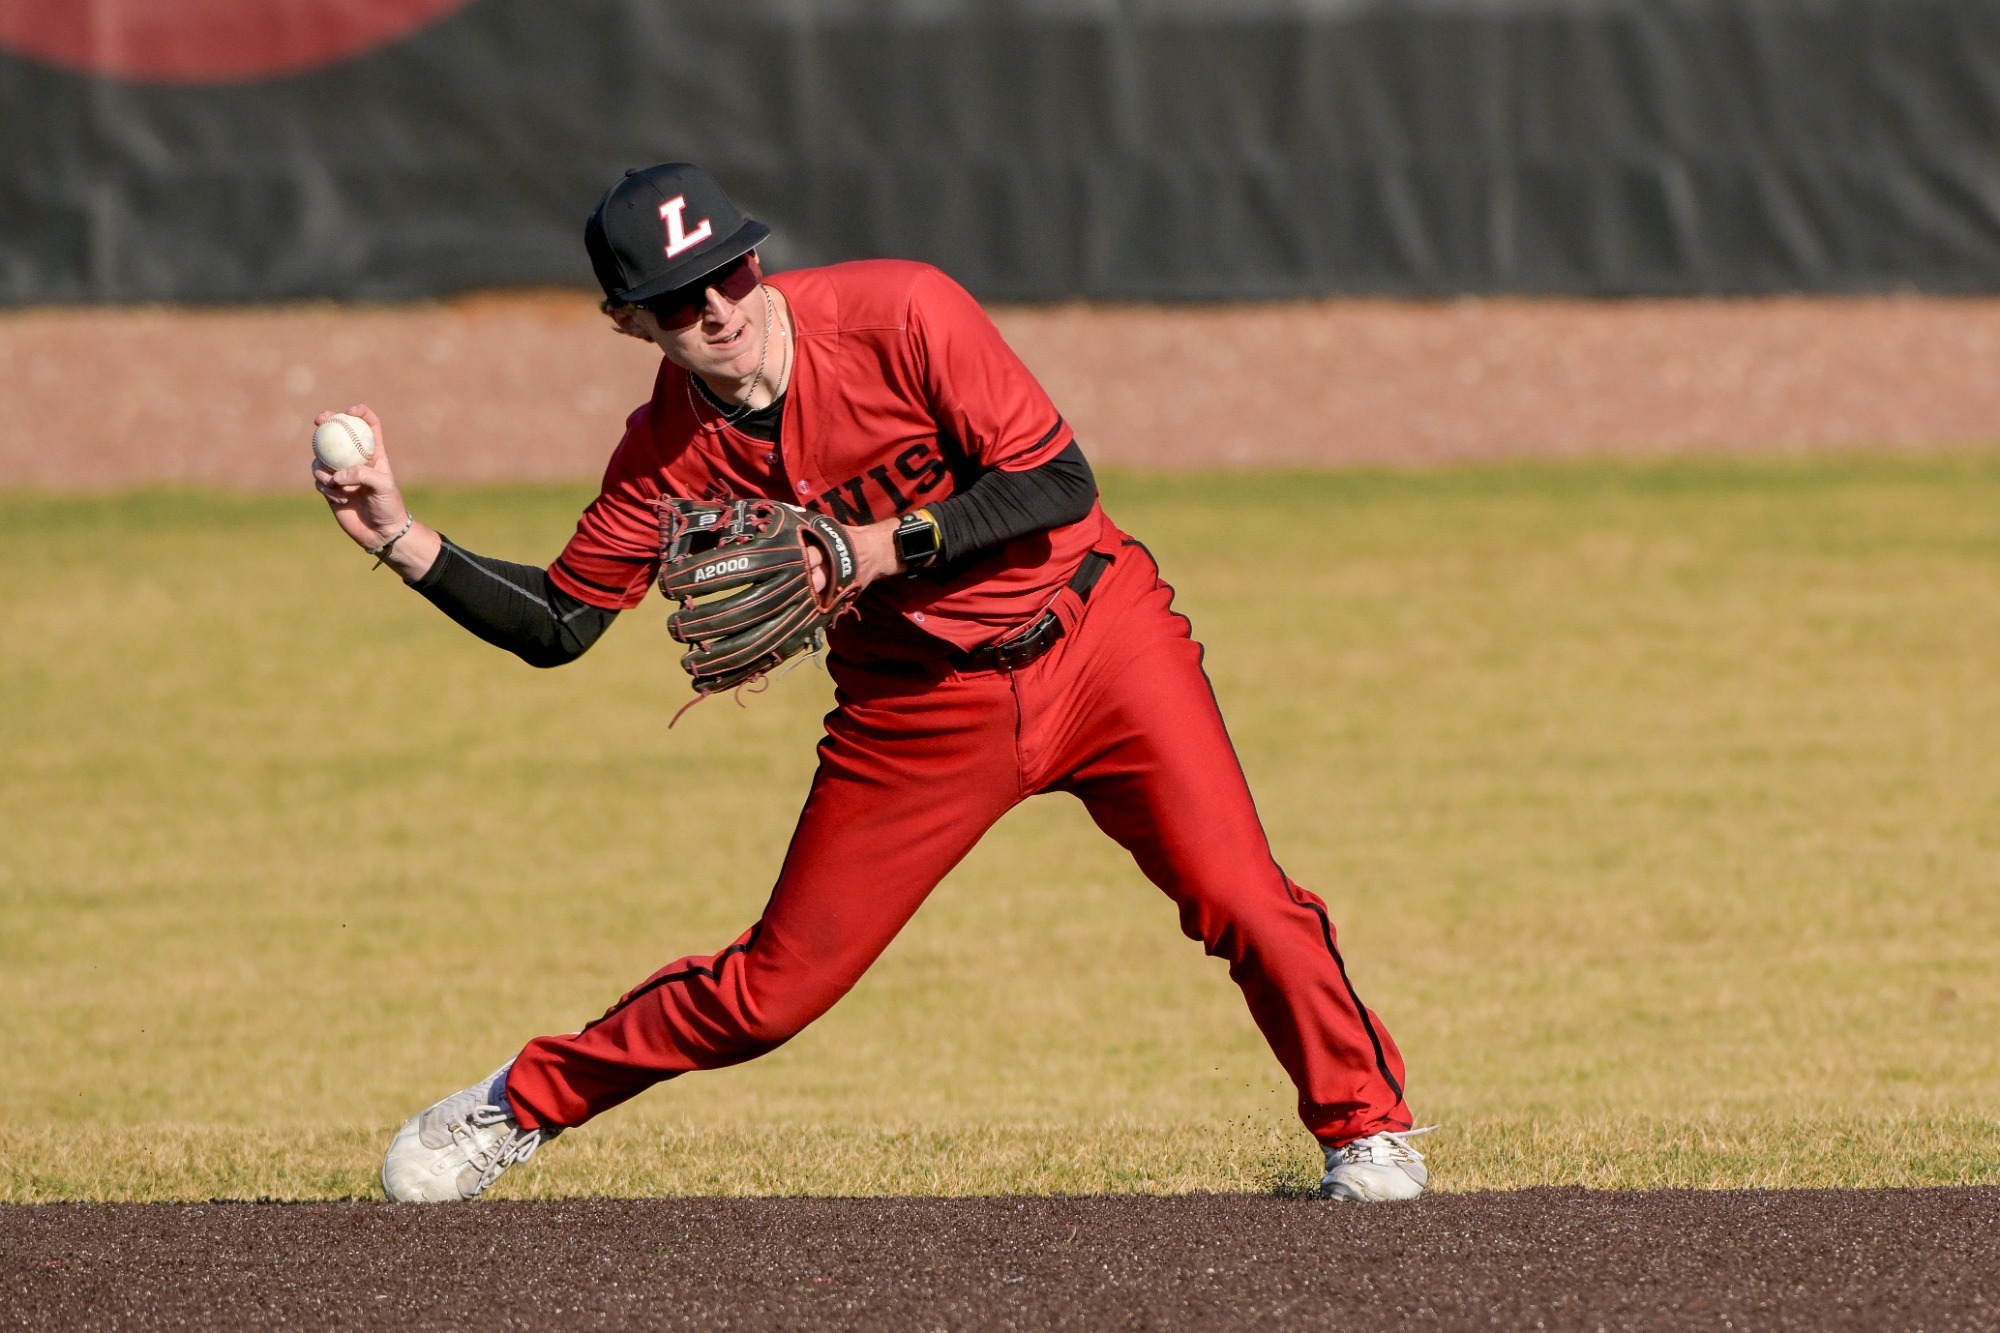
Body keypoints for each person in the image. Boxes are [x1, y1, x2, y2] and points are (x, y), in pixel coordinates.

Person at [312, 162, 1429, 1204]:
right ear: (628, 323)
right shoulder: (663, 456)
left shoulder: (900, 313)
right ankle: (516, 1103)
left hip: (1099, 640)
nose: (719, 312)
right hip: (913, 710)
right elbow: (559, 623)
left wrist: (875, 547)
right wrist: (401, 537)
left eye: (729, 274)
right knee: (770, 993)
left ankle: (1364, 1129)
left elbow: (1053, 476)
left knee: (1243, 898)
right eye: (679, 302)